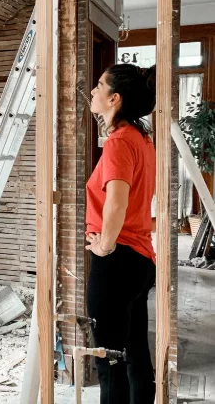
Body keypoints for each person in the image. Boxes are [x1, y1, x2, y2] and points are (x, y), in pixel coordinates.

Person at [85, 63, 158, 404]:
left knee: (108, 360)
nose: (93, 91)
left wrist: (104, 246)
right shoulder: (142, 139)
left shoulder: (118, 143)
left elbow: (116, 202)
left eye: (100, 86)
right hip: (141, 259)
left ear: (114, 98)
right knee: (136, 353)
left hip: (117, 260)